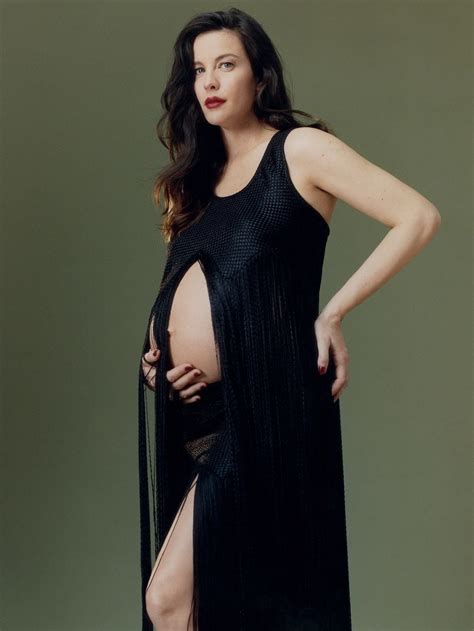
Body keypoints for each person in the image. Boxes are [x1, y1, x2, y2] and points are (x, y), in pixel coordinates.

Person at [138, 8, 441, 631]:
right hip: (201, 415)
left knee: (172, 600)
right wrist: (156, 360)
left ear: (259, 75)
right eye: (198, 70)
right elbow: (184, 290)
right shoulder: (196, 184)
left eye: (226, 64)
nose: (209, 82)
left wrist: (333, 312)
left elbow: (417, 217)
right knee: (218, 608)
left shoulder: (298, 152)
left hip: (270, 407)